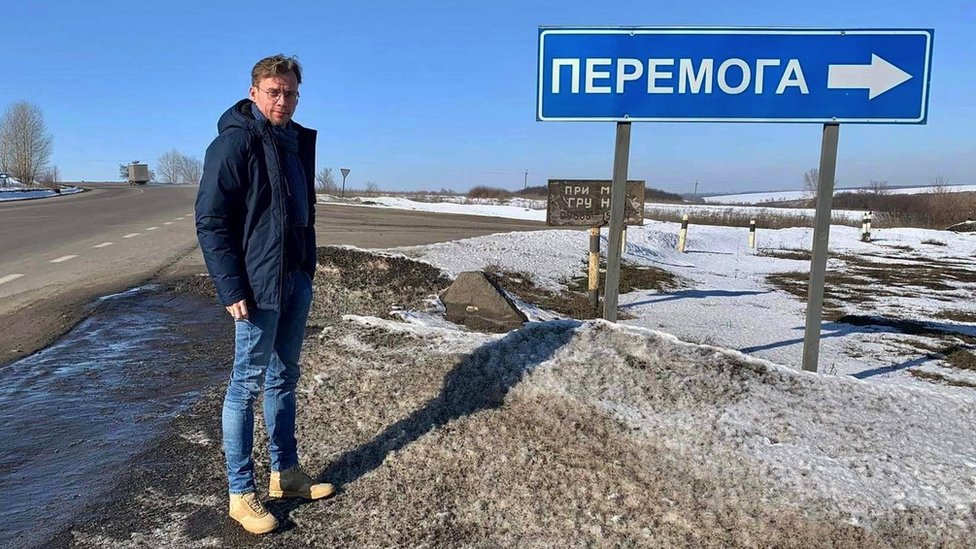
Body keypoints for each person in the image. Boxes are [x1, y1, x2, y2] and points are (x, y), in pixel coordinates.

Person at [195, 54, 332, 535]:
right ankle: (240, 493)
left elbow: (299, 214)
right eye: (274, 92)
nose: (283, 100)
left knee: (283, 378)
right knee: (244, 385)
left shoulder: (294, 142)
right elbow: (211, 221)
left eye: (290, 93)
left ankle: (286, 474)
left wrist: (306, 271)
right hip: (255, 287)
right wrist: (230, 285)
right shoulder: (235, 142)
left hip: (293, 279)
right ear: (254, 92)